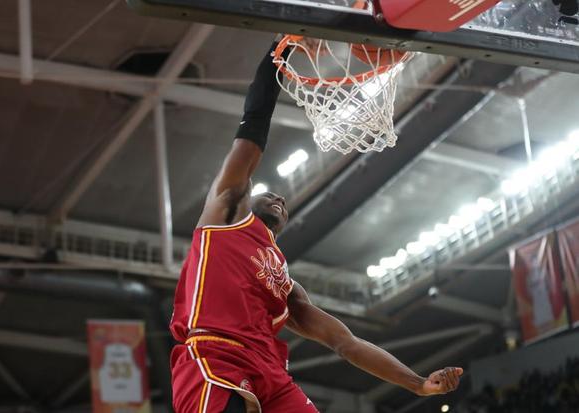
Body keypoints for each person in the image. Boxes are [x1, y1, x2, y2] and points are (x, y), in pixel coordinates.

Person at [169, 39, 463, 413]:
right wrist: (279, 50)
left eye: (284, 204)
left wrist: (417, 384)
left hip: (270, 371)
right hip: (214, 355)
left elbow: (346, 343)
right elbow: (254, 123)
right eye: (269, 194)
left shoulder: (285, 285)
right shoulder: (226, 215)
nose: (279, 198)